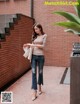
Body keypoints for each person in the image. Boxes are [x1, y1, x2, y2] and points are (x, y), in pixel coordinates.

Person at [23, 23, 47, 101]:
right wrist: (28, 45)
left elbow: (43, 46)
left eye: (36, 29)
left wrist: (32, 45)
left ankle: (39, 86)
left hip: (41, 57)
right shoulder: (34, 36)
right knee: (33, 73)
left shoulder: (44, 36)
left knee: (40, 72)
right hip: (33, 56)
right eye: (34, 29)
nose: (35, 30)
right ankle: (34, 91)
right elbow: (32, 46)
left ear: (40, 28)